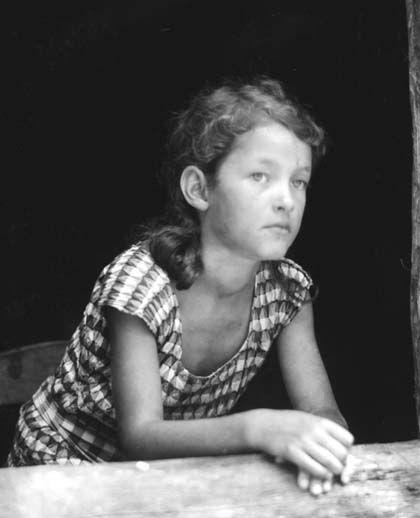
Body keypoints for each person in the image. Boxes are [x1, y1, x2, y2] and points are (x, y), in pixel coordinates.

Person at [8, 77, 354, 495]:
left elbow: (321, 410)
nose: (286, 199)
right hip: (60, 473)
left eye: (298, 181)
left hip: (166, 483)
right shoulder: (141, 285)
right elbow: (142, 436)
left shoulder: (288, 292)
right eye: (261, 176)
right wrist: (260, 427)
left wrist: (324, 447)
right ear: (199, 189)